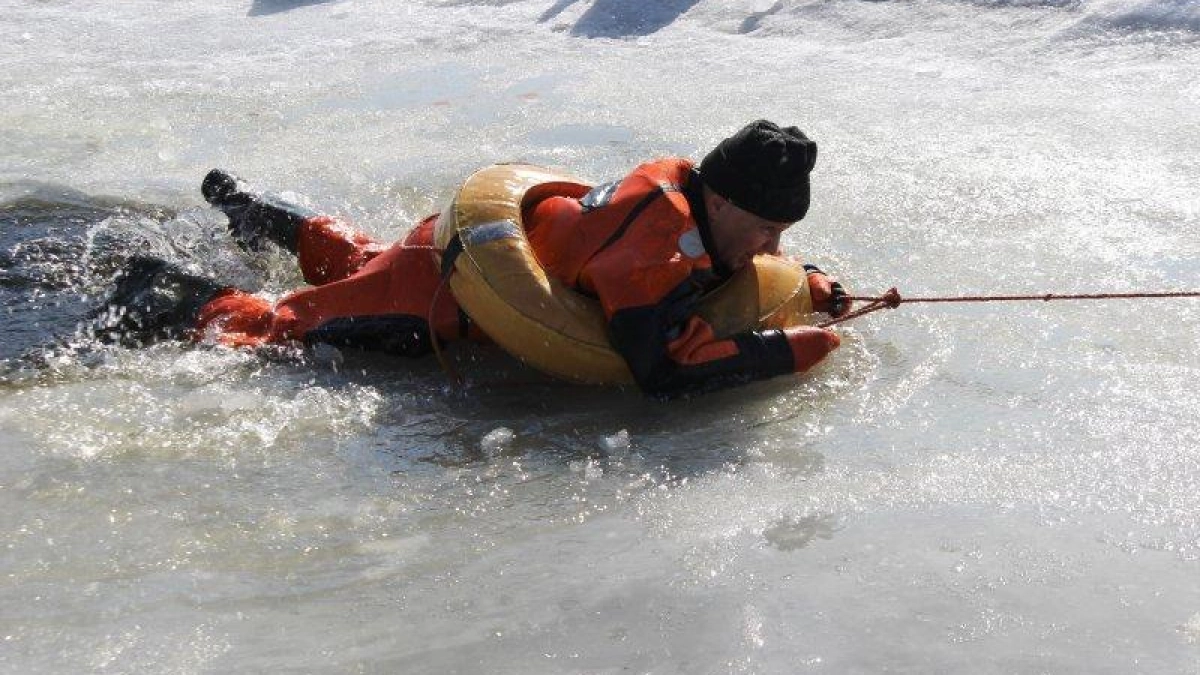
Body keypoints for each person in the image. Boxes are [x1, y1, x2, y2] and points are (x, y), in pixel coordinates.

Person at [95, 120, 851, 396]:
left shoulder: (696, 191)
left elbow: (732, 273)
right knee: (280, 323)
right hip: (439, 296)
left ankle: (248, 207)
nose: (773, 248)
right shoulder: (654, 242)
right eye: (766, 228)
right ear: (719, 201)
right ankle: (158, 288)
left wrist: (810, 285)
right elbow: (657, 372)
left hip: (451, 248)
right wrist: (786, 350)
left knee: (359, 256)